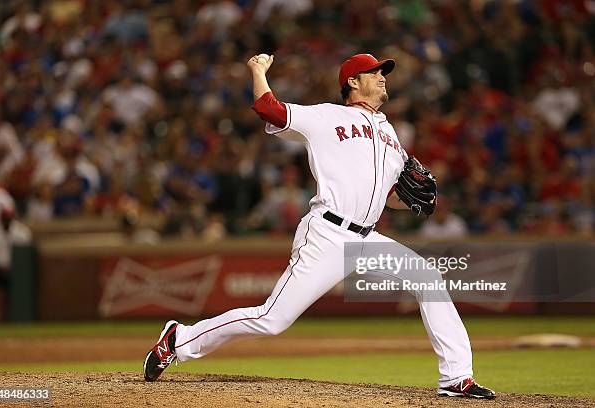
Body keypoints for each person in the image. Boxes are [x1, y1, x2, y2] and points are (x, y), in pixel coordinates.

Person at [143, 53, 495, 399]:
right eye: (374, 72)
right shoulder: (326, 116)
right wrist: (257, 70)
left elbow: (389, 195)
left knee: (427, 279)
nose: (382, 76)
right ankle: (180, 339)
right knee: (272, 319)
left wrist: (411, 201)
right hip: (328, 234)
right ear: (353, 82)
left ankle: (456, 377)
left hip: (367, 239)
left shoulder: (390, 134)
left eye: (382, 71)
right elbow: (270, 109)